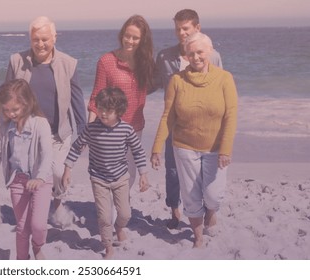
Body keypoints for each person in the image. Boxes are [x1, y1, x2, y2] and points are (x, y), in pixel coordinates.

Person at [150, 32, 238, 248]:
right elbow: (168, 116)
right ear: (186, 56)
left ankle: (211, 211)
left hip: (215, 148)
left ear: (209, 52)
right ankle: (197, 238)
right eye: (191, 53)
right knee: (191, 196)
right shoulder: (177, 80)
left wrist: (226, 149)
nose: (196, 57)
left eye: (200, 52)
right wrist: (156, 148)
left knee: (214, 197)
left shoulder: (224, 78)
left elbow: (231, 115)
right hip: (184, 146)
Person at [5, 16, 87, 224]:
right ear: (30, 39)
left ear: (54, 38)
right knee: (32, 173)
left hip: (59, 133)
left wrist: (84, 131)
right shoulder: (17, 61)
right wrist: (2, 125)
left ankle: (58, 204)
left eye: (45, 39)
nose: (40, 44)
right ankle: (36, 209)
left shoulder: (69, 64)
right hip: (29, 133)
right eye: (35, 39)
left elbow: (77, 100)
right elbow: (7, 96)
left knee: (58, 172)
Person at [152, 9, 223, 229]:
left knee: (206, 171)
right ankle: (175, 211)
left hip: (206, 127)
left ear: (197, 28)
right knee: (173, 171)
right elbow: (152, 84)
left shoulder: (212, 55)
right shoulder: (164, 56)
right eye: (178, 29)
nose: (181, 33)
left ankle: (210, 211)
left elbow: (221, 88)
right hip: (175, 125)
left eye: (186, 28)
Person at [0, 79, 53, 259]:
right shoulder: (5, 128)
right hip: (18, 181)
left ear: (27, 104)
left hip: (41, 181)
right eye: (6, 110)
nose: (10, 114)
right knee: (22, 227)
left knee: (38, 225)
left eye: (15, 109)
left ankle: (37, 246)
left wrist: (40, 178)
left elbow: (47, 155)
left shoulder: (40, 124)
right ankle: (22, 259)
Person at [62, 87, 150, 259]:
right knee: (104, 216)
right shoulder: (91, 129)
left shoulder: (126, 129)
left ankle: (119, 227)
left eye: (107, 111)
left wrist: (143, 173)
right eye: (100, 109)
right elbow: (76, 147)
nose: (102, 113)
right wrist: (67, 168)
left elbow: (138, 151)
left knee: (125, 214)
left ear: (118, 111)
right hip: (98, 178)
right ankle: (108, 246)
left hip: (121, 177)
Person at [87, 15, 155, 188]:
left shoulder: (146, 62)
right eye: (127, 35)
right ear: (122, 35)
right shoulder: (106, 61)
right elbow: (95, 98)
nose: (130, 41)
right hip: (109, 129)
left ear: (142, 40)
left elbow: (154, 85)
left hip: (135, 127)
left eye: (135, 38)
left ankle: (121, 213)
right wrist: (90, 131)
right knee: (109, 175)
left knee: (130, 175)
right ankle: (109, 213)